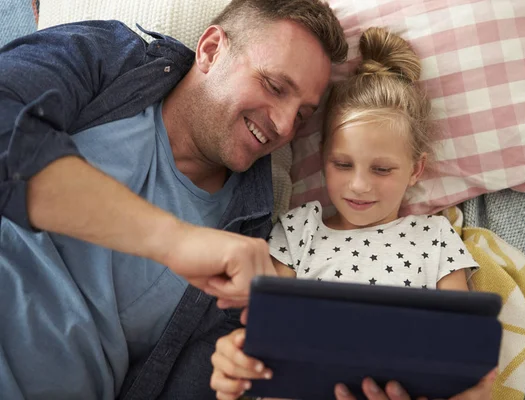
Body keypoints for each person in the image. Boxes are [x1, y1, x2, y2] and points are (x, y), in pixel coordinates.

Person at [0, 0, 347, 398]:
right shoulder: (111, 59)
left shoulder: (249, 238)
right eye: (273, 85)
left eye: (302, 115)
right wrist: (174, 240)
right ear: (211, 50)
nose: (286, 125)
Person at [208, 27, 497, 400]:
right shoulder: (299, 230)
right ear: (324, 154)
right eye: (343, 164)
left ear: (416, 169)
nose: (359, 186)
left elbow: (462, 357)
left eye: (381, 169)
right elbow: (264, 333)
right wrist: (237, 357)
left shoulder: (435, 236)